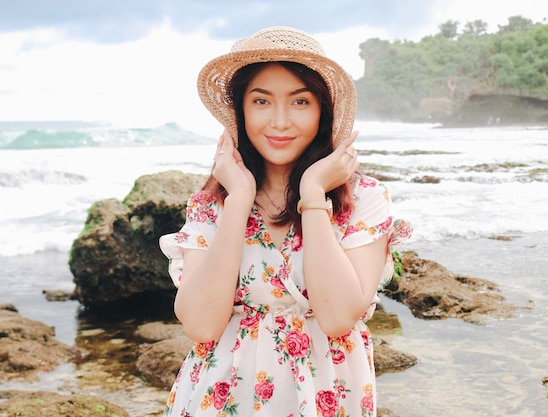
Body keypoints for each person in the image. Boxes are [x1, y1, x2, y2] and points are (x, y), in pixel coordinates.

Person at [159, 26, 412, 417]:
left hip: (324, 395)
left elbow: (337, 317)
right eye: (261, 101)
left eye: (300, 102)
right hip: (221, 398)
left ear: (322, 110)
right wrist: (239, 200)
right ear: (240, 111)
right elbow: (200, 325)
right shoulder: (213, 205)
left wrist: (313, 195)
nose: (280, 122)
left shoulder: (363, 199)